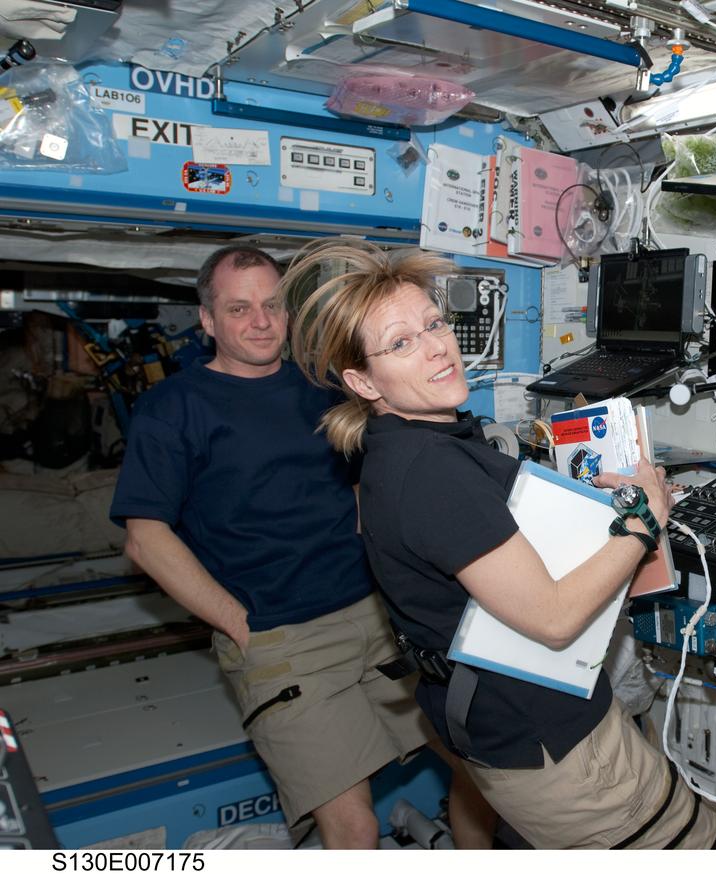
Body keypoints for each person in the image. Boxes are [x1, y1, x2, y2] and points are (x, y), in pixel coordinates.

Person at [283, 238, 716, 850]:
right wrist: (647, 519)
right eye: (401, 343)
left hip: (507, 728)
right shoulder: (431, 472)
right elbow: (557, 619)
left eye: (434, 323)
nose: (437, 347)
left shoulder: (395, 452)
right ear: (363, 380)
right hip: (554, 747)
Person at [109, 245, 495, 849]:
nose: (260, 321)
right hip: (282, 641)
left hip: (379, 621)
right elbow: (146, 540)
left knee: (482, 772)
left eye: (272, 305)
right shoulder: (172, 409)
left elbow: (373, 480)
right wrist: (242, 627)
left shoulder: (324, 388)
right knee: (354, 827)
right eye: (239, 308)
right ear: (207, 320)